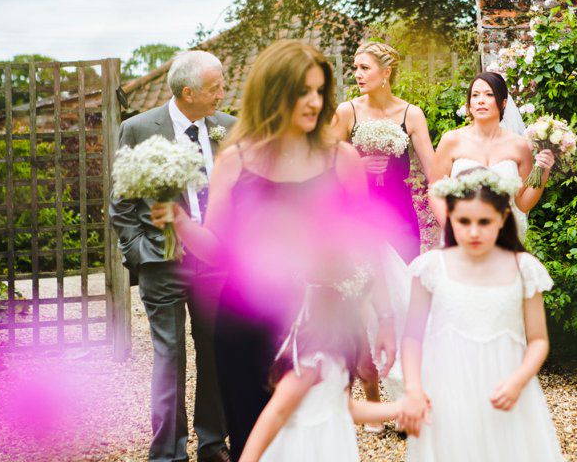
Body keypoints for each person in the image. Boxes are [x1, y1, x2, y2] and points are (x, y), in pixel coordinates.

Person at [150, 40, 397, 459]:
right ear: (274, 92)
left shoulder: (342, 159)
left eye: (320, 90)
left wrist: (386, 318)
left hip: (319, 322)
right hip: (244, 324)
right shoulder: (236, 160)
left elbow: (365, 248)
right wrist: (181, 224)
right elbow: (218, 252)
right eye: (303, 90)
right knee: (253, 440)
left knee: (316, 437)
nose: (315, 101)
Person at [110, 50, 233, 462]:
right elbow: (122, 205)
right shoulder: (139, 129)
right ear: (188, 92)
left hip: (214, 261)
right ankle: (168, 452)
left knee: (215, 348)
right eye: (215, 87)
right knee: (169, 353)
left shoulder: (228, 128)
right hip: (161, 263)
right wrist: (140, 255)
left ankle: (213, 442)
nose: (222, 93)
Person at [400, 168, 565, 461]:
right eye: (464, 221)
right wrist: (413, 390)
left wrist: (518, 381)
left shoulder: (523, 268)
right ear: (450, 217)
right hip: (446, 389)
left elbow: (538, 339)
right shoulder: (430, 267)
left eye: (484, 222)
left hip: (506, 386)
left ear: (503, 218)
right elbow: (412, 337)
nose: (473, 231)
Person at [238, 253, 408, 462]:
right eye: (362, 312)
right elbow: (276, 413)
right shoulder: (314, 359)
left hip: (332, 448)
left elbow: (344, 407)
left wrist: (399, 408)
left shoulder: (339, 354)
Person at [332, 41, 435, 264]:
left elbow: (433, 173)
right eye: (356, 68)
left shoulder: (411, 114)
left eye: (365, 68)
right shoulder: (347, 112)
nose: (358, 74)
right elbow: (327, 167)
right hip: (359, 212)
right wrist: (357, 165)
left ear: (386, 72)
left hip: (401, 212)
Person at [430, 72, 554, 241]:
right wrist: (454, 227)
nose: (481, 100)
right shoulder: (451, 140)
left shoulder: (519, 146)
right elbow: (434, 191)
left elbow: (523, 204)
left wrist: (543, 170)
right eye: (475, 95)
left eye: (489, 94)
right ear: (469, 104)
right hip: (460, 236)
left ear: (503, 103)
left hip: (504, 236)